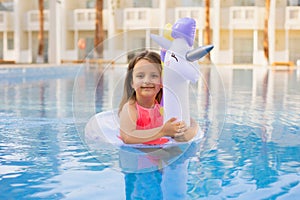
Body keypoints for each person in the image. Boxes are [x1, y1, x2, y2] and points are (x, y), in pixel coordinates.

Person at [118, 50, 198, 144]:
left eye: (154, 76)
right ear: (132, 83)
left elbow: (181, 135)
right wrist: (163, 131)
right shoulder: (130, 108)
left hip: (159, 149)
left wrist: (193, 127)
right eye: (140, 76)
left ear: (161, 82)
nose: (147, 81)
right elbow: (127, 138)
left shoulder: (162, 109)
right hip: (138, 153)